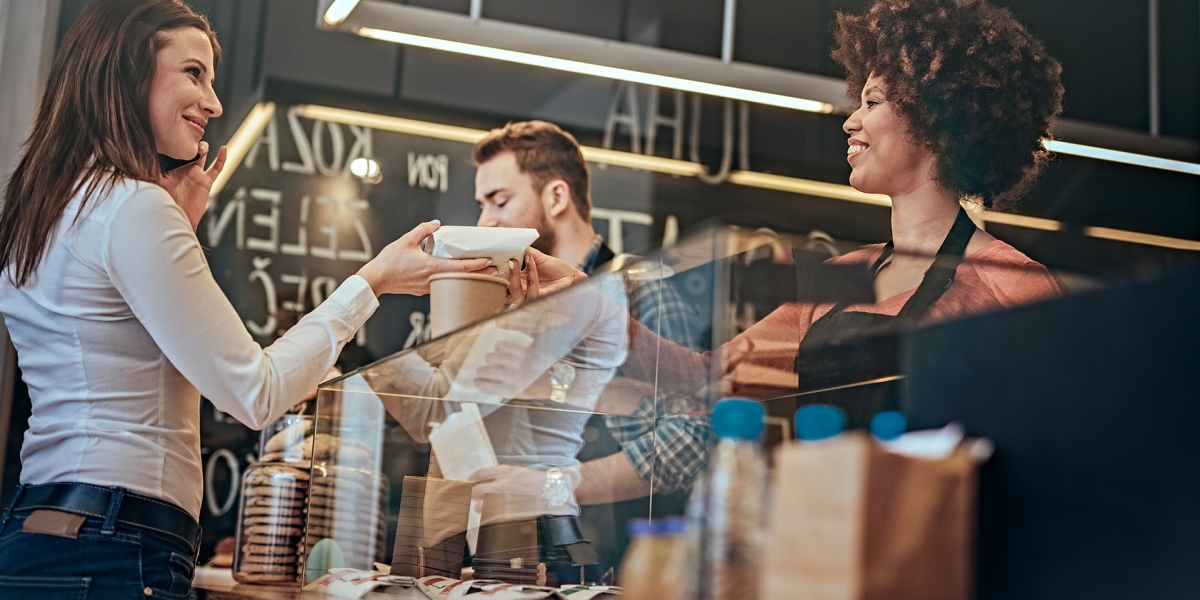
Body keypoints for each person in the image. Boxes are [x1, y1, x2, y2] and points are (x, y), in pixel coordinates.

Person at [0, 1, 536, 596]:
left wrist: (177, 227)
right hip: (113, 542)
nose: (214, 102)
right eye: (193, 73)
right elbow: (255, 393)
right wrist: (374, 281)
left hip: (39, 529)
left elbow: (116, 359)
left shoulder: (46, 209)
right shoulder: (133, 207)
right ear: (127, 72)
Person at [619, 0, 1066, 417]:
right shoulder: (841, 276)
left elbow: (1056, 440)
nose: (851, 121)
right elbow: (706, 382)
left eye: (873, 102)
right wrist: (592, 316)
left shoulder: (1013, 285)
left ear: (937, 120)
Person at [470, 121, 708, 505]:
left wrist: (550, 487)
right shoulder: (521, 309)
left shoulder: (642, 295)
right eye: (482, 205)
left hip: (614, 559)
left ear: (557, 197)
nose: (485, 222)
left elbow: (689, 440)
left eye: (500, 201)